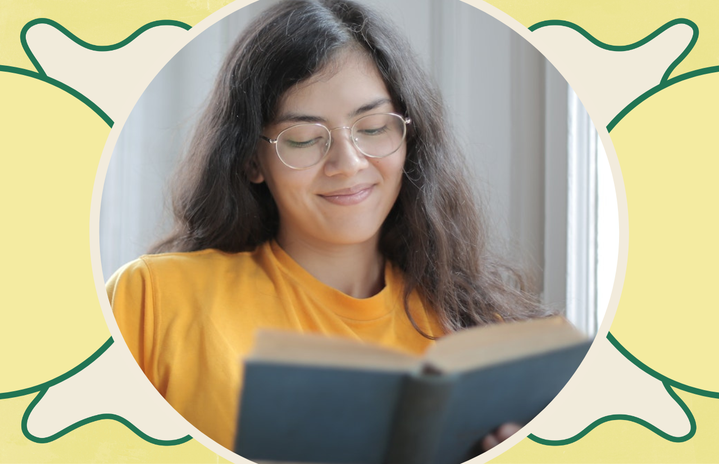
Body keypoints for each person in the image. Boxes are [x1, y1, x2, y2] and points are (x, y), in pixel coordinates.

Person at [106, 0, 548, 455]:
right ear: (251, 159)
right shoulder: (154, 300)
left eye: (374, 127)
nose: (348, 164)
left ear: (409, 138)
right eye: (303, 138)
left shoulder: (479, 336)